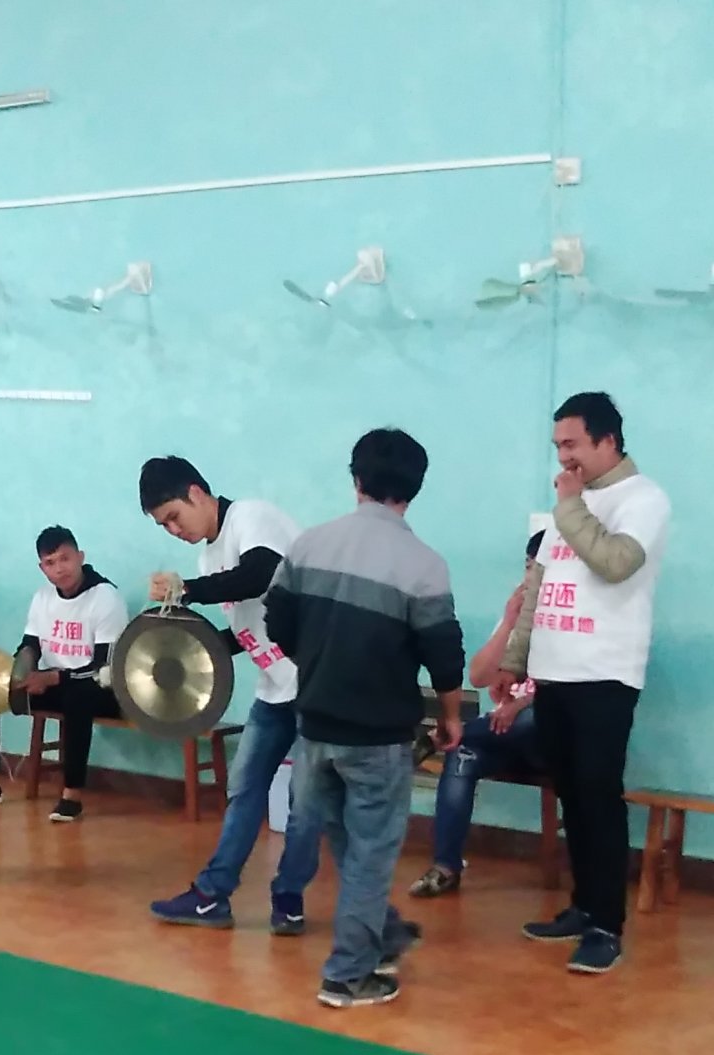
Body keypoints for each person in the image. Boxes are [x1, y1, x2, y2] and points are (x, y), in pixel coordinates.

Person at [264, 429, 465, 1008]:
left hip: (313, 729)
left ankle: (384, 934)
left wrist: (320, 663)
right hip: (377, 738)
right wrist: (450, 717)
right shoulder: (425, 566)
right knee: (371, 853)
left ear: (356, 479)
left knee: (351, 845)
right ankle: (348, 976)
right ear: (415, 489)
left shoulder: (308, 545)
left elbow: (277, 622)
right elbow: (444, 655)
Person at [487, 390, 671, 976]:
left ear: (607, 441)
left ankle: (606, 926)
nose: (563, 457)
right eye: (558, 446)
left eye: (572, 444)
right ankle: (583, 905)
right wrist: (514, 663)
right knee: (570, 796)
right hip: (555, 675)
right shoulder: (571, 505)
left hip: (604, 675)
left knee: (598, 798)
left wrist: (569, 506)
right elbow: (539, 593)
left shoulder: (642, 498)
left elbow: (616, 563)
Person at [139, 456, 325, 933]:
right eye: (164, 526)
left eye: (174, 516)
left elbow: (260, 574)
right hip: (275, 689)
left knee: (305, 802)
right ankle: (211, 896)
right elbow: (246, 630)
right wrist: (185, 653)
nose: (174, 530)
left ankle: (289, 899)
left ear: (196, 492)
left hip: (317, 684)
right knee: (243, 789)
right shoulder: (208, 557)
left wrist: (187, 590)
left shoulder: (251, 518)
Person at [0, 526, 129, 822]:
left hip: (101, 688)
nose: (60, 568)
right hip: (54, 682)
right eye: (51, 563)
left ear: (80, 557)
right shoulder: (42, 597)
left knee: (77, 698)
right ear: (42, 568)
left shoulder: (106, 597)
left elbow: (105, 667)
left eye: (65, 558)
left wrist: (53, 678)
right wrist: (15, 673)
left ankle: (71, 796)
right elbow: (30, 646)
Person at [411, 536, 547, 897]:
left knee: (531, 719)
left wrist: (519, 704)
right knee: (463, 754)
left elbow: (567, 692)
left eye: (539, 570)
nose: (531, 577)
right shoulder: (519, 616)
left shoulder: (567, 618)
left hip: (543, 739)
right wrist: (509, 622)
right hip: (497, 735)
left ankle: (441, 735)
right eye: (528, 567)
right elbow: (479, 676)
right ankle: (445, 867)